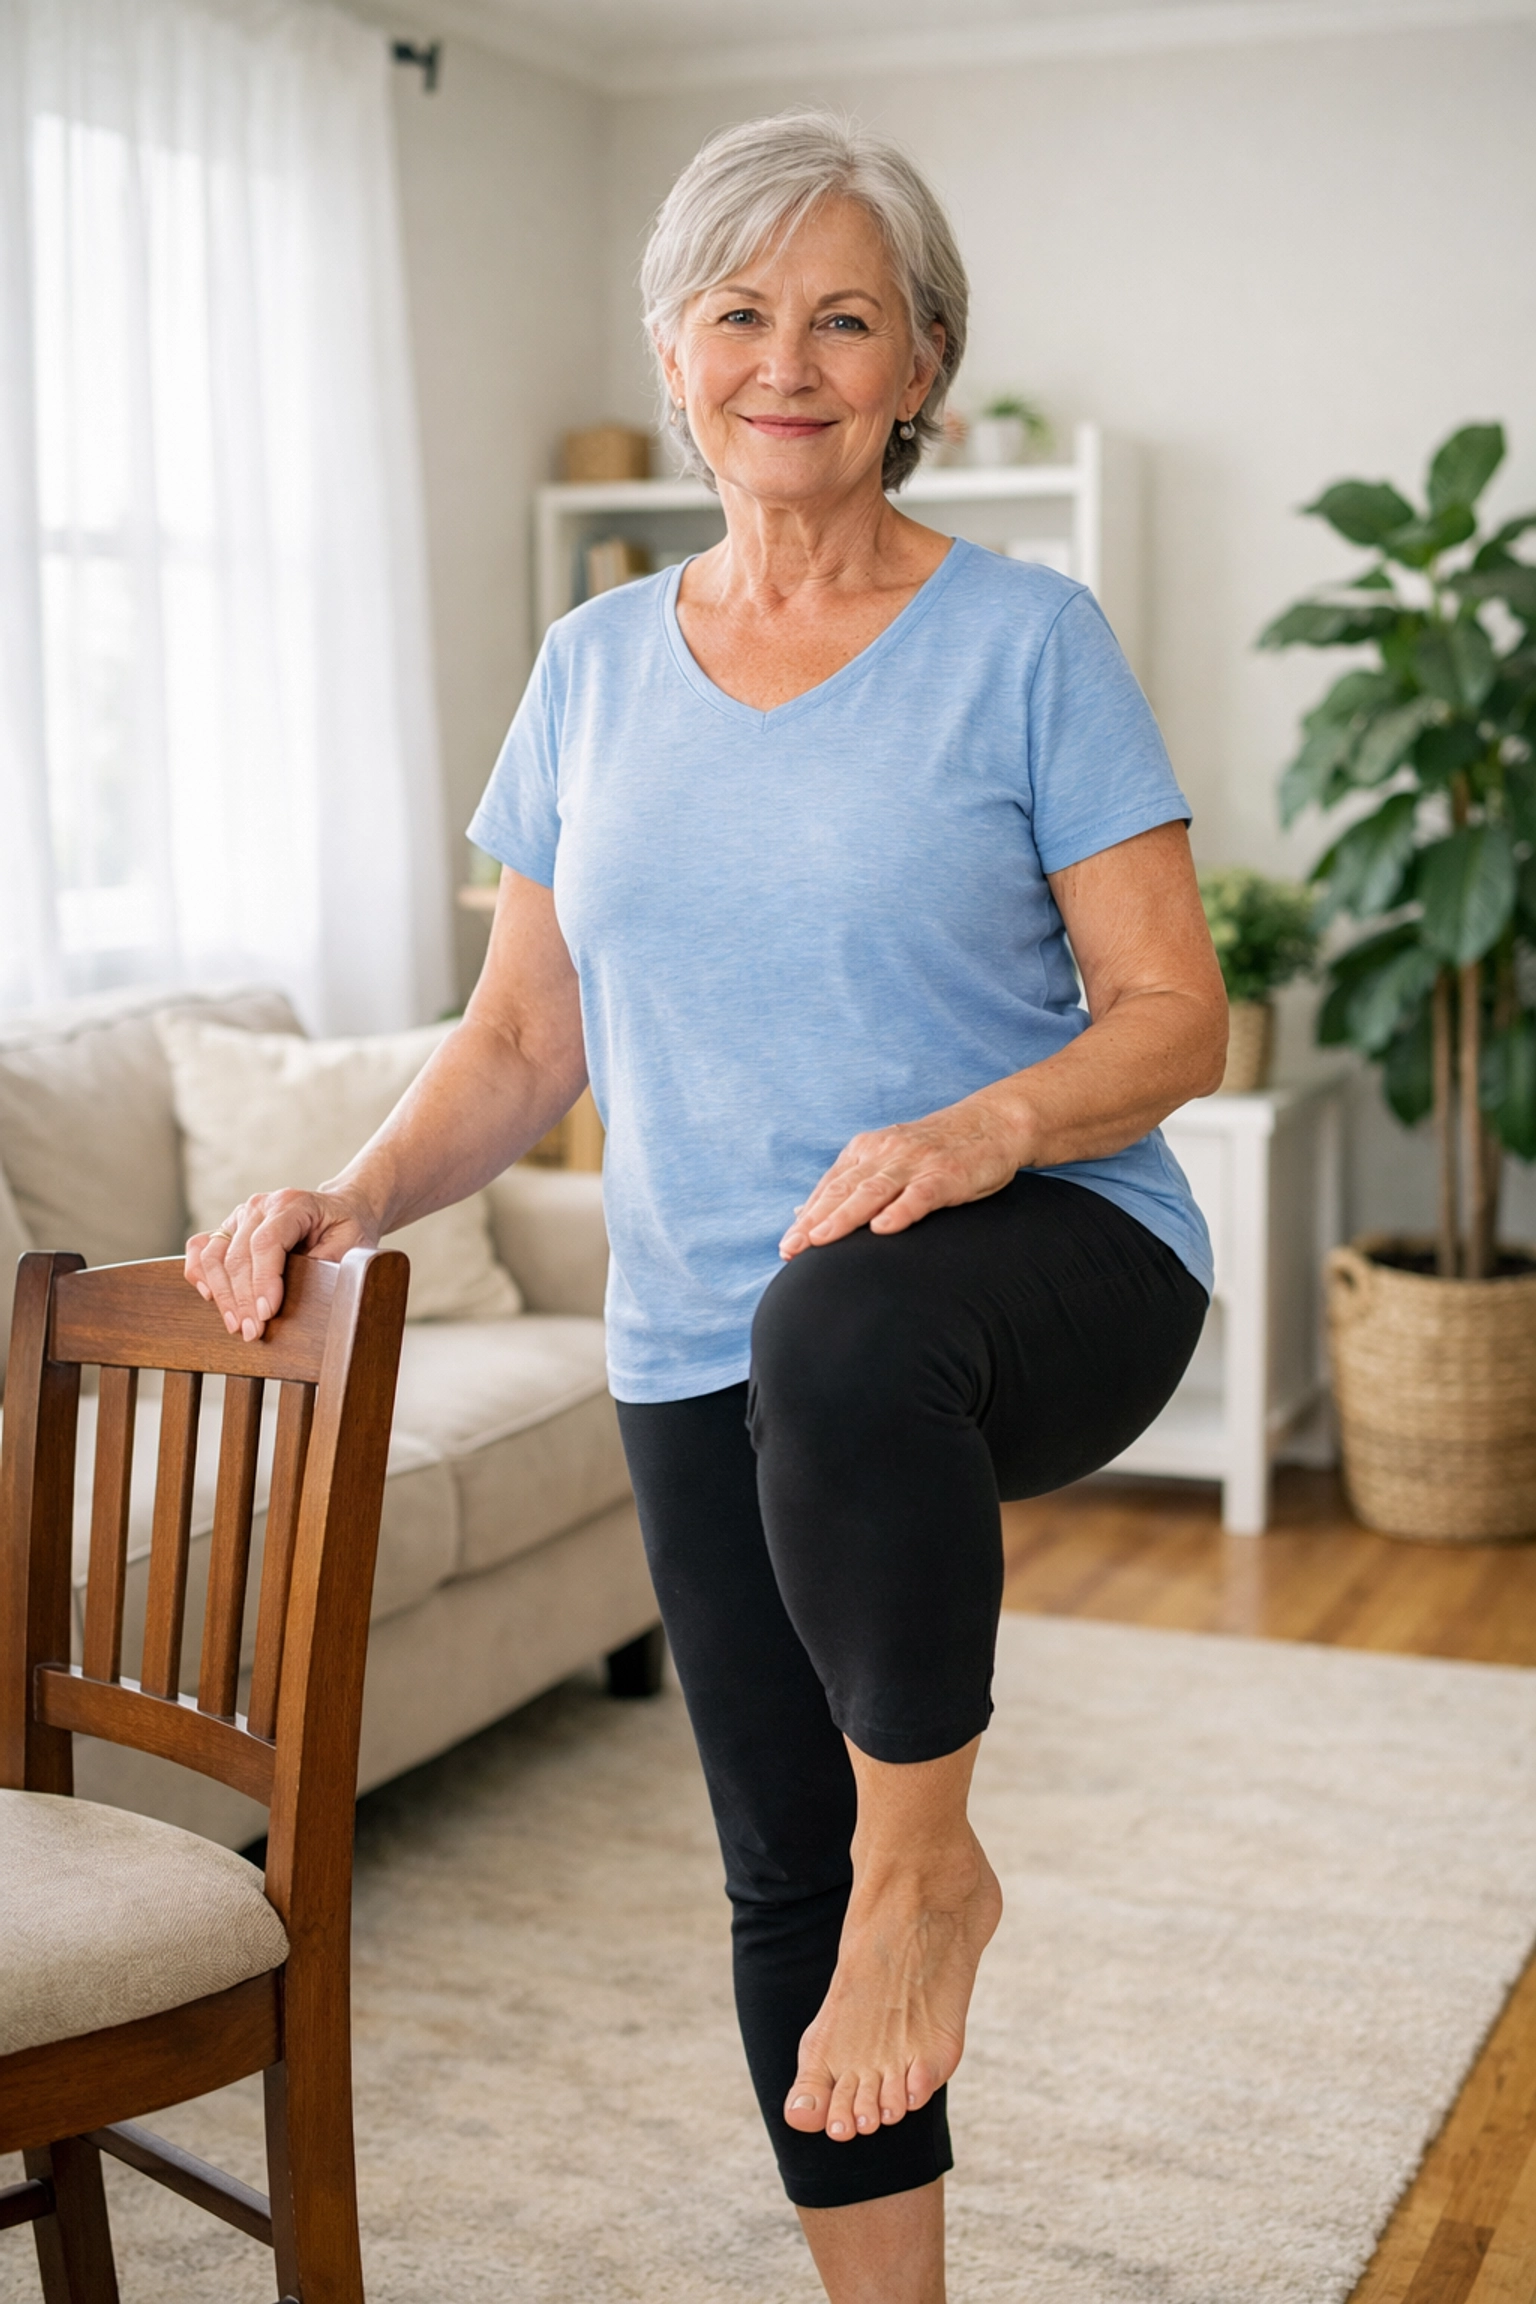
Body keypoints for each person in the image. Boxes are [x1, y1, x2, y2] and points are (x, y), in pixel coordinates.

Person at [189, 110, 1224, 2304]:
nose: (791, 357)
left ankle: (928, 1871)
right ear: (677, 358)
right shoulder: (591, 671)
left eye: (846, 316)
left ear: (923, 363)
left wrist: (989, 1129)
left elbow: (1172, 1018)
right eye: (742, 312)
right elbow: (519, 1044)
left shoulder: (1026, 639)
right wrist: (350, 1195)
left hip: (1052, 1260)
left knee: (836, 1324)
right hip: (708, 1328)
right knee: (779, 1859)